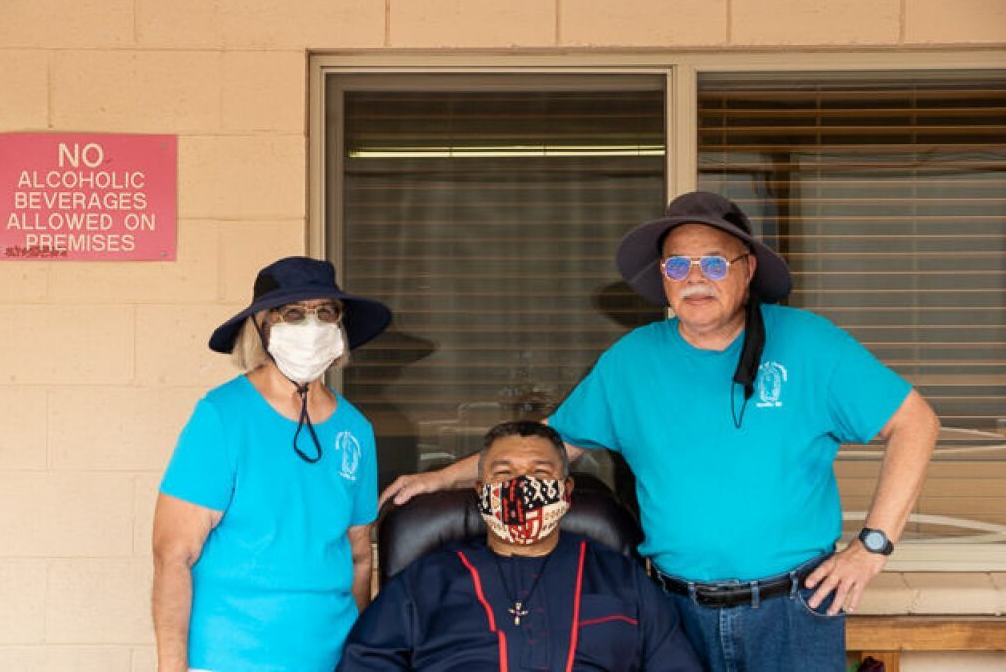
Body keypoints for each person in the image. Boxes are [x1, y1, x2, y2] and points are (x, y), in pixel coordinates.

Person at [381, 192, 940, 671]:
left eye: (715, 264)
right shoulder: (631, 362)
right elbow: (550, 446)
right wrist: (443, 479)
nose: (695, 278)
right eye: (678, 266)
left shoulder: (810, 343)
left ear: (748, 269)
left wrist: (872, 547)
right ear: (663, 279)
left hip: (794, 606)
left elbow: (915, 422)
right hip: (673, 610)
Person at [152, 256, 392, 671]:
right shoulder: (222, 417)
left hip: (330, 658)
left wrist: (358, 656)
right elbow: (173, 555)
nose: (312, 327)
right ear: (261, 327)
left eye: (325, 313)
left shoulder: (356, 429)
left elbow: (358, 556)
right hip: (231, 657)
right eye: (293, 314)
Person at [340, 420, 702, 671]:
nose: (521, 485)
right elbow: (368, 660)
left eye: (540, 473)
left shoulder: (622, 581)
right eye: (504, 473)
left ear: (566, 492)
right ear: (482, 492)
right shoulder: (428, 581)